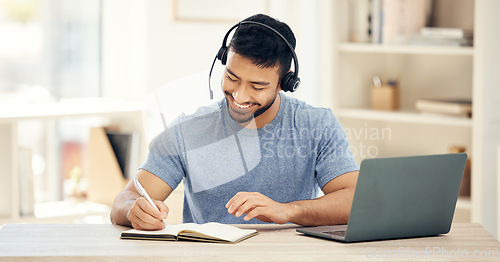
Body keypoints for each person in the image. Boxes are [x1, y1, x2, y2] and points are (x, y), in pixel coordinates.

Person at [110, 14, 359, 230]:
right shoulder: (186, 130)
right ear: (223, 60)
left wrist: (287, 211)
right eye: (232, 77)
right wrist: (134, 211)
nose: (240, 96)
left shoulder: (317, 125)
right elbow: (125, 200)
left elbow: (354, 200)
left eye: (257, 86)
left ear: (286, 83)